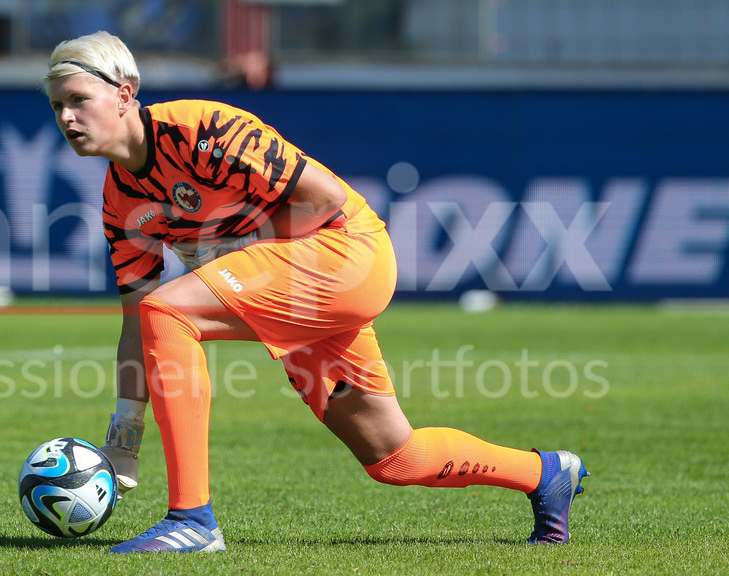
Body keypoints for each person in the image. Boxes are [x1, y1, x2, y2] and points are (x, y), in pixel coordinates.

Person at [43, 31, 589, 554]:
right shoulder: (120, 204)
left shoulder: (199, 129)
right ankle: (545, 473)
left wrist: (234, 252)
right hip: (293, 285)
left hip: (347, 254)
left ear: (123, 95)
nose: (67, 117)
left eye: (78, 99)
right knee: (393, 457)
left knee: (173, 309)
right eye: (57, 106)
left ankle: (191, 520)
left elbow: (324, 199)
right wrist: (124, 431)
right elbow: (136, 322)